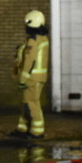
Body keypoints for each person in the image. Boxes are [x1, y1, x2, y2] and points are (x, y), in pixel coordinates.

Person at [13, 10, 50, 139]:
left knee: (31, 103)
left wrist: (23, 78)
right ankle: (22, 128)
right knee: (27, 102)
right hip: (39, 77)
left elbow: (30, 61)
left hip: (32, 77)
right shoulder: (43, 39)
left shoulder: (33, 41)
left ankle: (37, 131)